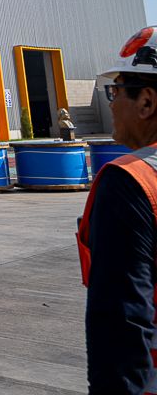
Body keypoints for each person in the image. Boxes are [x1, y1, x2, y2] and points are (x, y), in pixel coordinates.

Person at [79, 26, 157, 394]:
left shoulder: (130, 183)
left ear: (146, 102)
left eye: (116, 91)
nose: (111, 103)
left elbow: (122, 324)